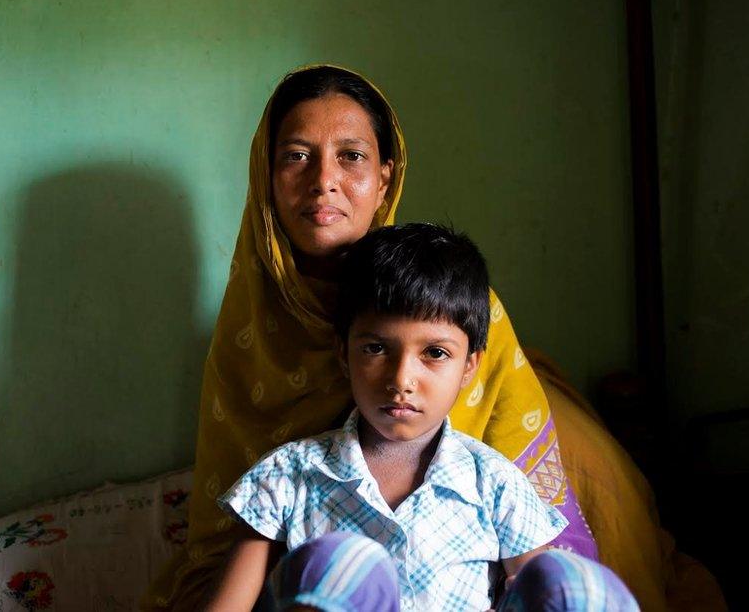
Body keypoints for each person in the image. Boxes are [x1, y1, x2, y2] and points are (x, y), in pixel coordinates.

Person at [141, 66, 596, 610]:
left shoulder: (457, 311)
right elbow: (224, 554)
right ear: (266, 176)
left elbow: (539, 557)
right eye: (296, 156)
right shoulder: (251, 341)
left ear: (385, 177)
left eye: (351, 156)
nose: (322, 180)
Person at [205, 223, 636, 611]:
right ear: (343, 353)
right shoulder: (289, 475)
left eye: (435, 353)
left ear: (469, 366)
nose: (401, 379)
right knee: (343, 567)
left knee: (571, 584)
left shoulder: (495, 484)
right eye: (376, 348)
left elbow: (542, 595)